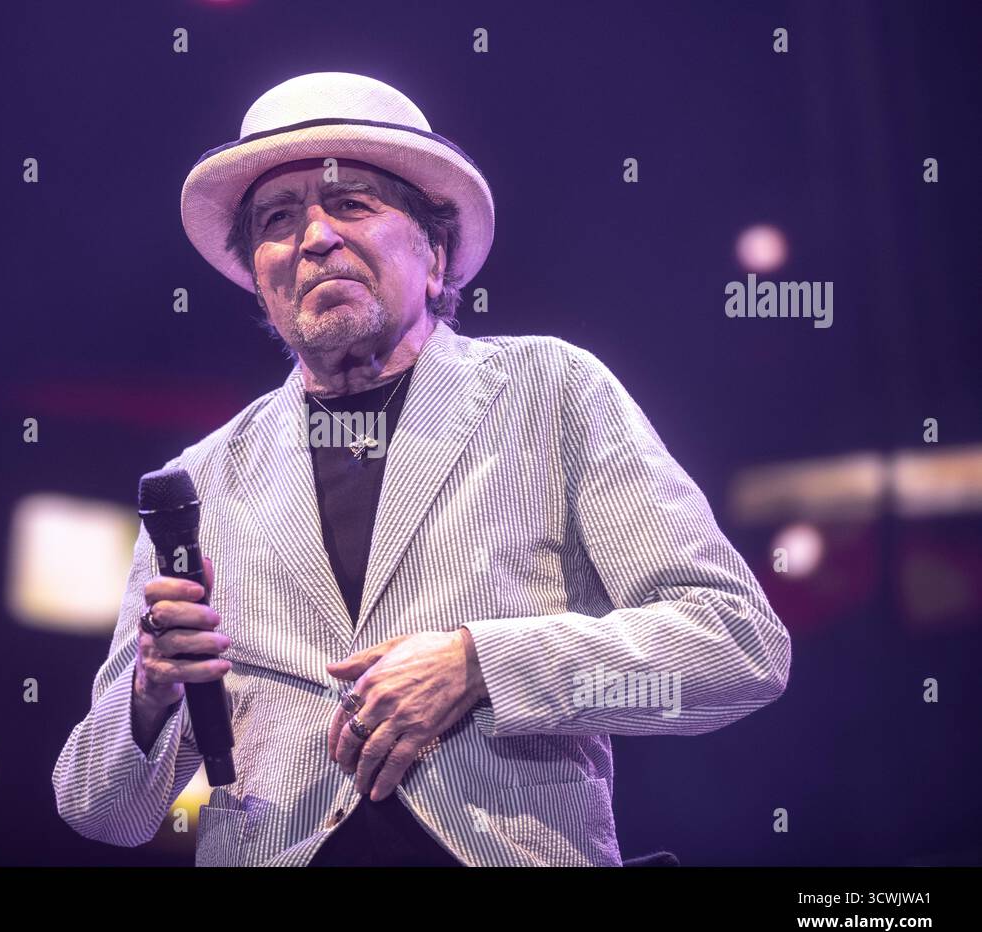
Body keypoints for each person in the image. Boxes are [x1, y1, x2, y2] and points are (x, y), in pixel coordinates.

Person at [52, 72, 791, 866]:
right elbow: (102, 809)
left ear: (435, 254)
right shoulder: (200, 483)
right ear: (260, 282)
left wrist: (482, 664)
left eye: (353, 204)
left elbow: (738, 647)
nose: (315, 237)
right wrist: (149, 693)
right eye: (277, 219)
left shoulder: (551, 391)